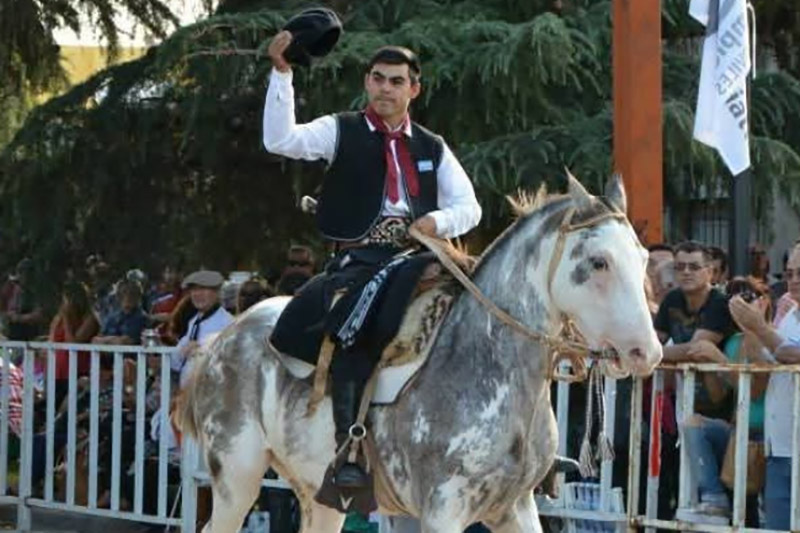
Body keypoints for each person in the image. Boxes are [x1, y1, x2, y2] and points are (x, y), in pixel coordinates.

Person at [263, 34, 481, 488]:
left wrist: (436, 222)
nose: (385, 89)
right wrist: (282, 73)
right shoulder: (340, 129)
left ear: (413, 90)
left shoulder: (431, 145)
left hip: (424, 255)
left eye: (396, 82)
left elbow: (470, 206)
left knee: (486, 306)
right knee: (359, 321)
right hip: (361, 258)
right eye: (378, 79)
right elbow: (280, 139)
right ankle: (350, 446)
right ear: (367, 82)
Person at [676, 277, 770, 525]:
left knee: (755, 515)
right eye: (735, 301)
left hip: (766, 436)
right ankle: (714, 499)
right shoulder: (732, 341)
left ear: (764, 301)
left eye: (749, 299)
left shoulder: (771, 337)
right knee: (693, 423)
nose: (742, 306)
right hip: (738, 433)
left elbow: (755, 390)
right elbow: (718, 395)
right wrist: (708, 363)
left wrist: (719, 358)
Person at [728, 243, 800, 530]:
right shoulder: (790, 317)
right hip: (779, 446)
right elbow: (767, 364)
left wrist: (759, 327)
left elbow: (790, 355)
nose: (794, 279)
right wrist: (749, 328)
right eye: (790, 273)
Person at [170, 270, 233, 387]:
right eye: (194, 290)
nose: (197, 294)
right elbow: (176, 362)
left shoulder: (227, 323)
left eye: (203, 289)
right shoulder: (194, 321)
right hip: (189, 394)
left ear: (216, 293)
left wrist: (202, 351)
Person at [48, 281, 101, 405]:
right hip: (58, 370)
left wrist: (67, 319)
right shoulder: (59, 317)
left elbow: (73, 343)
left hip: (77, 370)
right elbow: (51, 340)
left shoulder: (90, 318)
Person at [92, 280, 148, 345]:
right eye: (123, 293)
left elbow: (124, 342)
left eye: (132, 293)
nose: (128, 297)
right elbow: (95, 340)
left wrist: (105, 340)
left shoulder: (141, 317)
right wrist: (112, 340)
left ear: (138, 297)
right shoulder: (112, 317)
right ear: (118, 296)